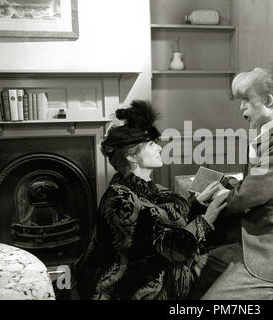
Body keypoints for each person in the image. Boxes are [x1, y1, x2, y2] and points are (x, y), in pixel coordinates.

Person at [189, 56, 273, 300]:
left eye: (247, 101)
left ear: (269, 101)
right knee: (194, 269)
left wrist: (221, 195)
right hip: (262, 244)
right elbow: (256, 185)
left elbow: (245, 198)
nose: (242, 108)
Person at [67, 100, 228, 300]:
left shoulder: (152, 188)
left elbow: (170, 223)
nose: (159, 149)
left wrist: (198, 204)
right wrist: (207, 218)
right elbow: (173, 249)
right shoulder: (120, 199)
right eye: (151, 144)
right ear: (132, 157)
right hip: (128, 288)